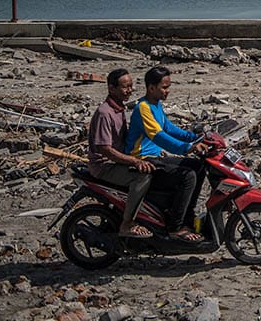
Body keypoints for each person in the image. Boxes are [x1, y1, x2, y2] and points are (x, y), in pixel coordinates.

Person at [125, 66, 208, 242]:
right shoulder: (143, 108)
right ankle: (175, 227)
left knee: (198, 166)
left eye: (168, 87)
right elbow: (158, 136)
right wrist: (186, 148)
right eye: (164, 87)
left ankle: (187, 215)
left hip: (156, 157)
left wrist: (197, 137)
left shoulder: (156, 105)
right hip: (143, 158)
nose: (167, 91)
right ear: (151, 87)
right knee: (188, 176)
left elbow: (170, 129)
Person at [87, 68, 155, 238]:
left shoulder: (119, 109)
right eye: (125, 87)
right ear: (111, 88)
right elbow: (106, 150)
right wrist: (134, 161)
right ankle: (127, 223)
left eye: (131, 86)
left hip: (116, 161)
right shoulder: (105, 113)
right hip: (104, 165)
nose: (130, 90)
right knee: (142, 176)